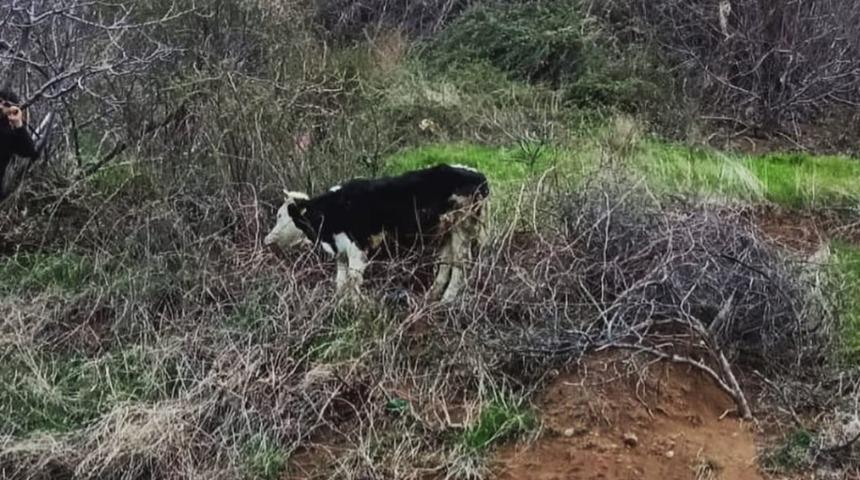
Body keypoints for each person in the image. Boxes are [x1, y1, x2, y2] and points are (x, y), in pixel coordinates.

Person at [0, 89, 39, 187]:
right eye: (0, 101)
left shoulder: (9, 134)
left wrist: (18, 124)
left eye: (7, 105)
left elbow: (29, 152)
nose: (1, 107)